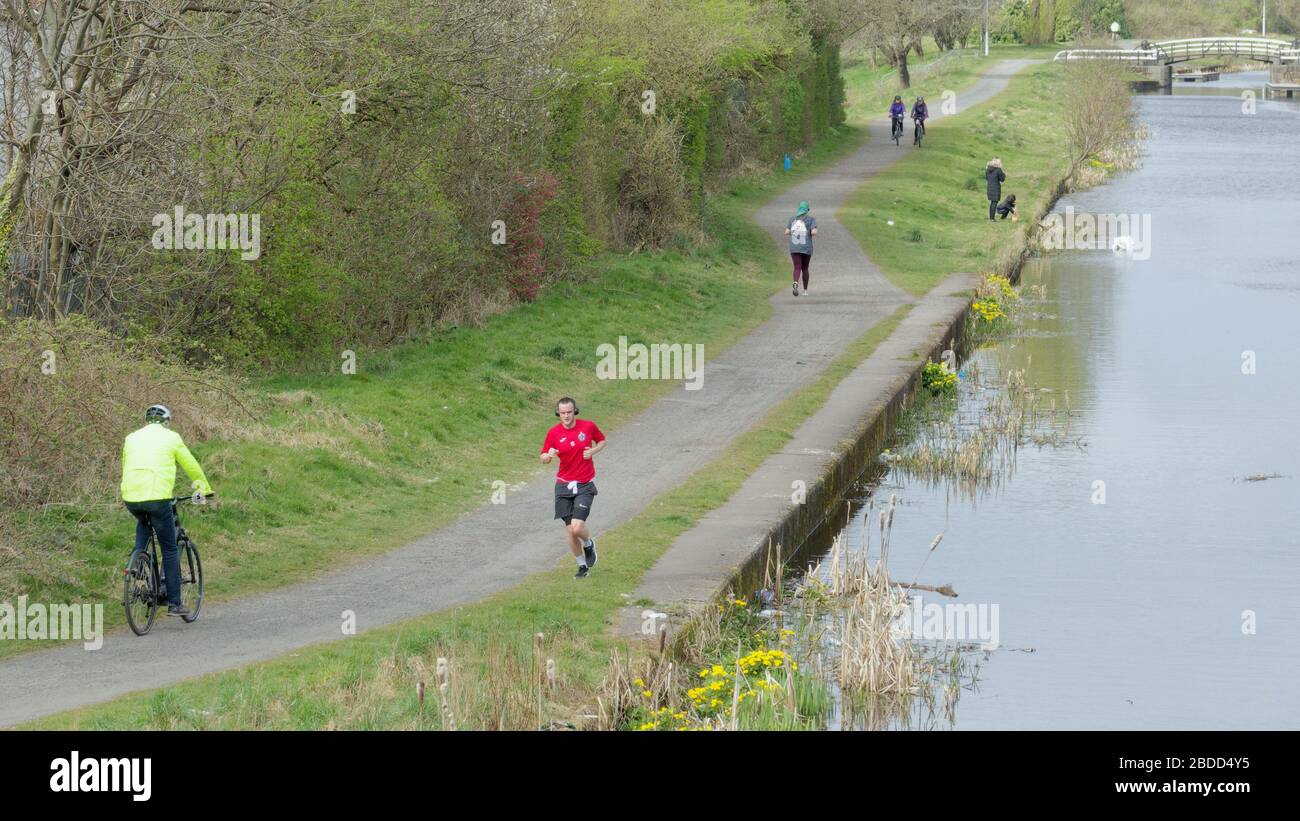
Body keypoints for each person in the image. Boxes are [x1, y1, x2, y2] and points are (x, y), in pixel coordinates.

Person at [120, 404, 213, 616]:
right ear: (166, 421)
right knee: (170, 549)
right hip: (158, 497)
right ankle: (174, 603)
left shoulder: (131, 437)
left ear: (147, 420)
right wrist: (204, 489)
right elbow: (190, 465)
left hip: (131, 497)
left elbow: (127, 465)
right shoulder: (171, 437)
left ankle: (138, 562)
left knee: (144, 522)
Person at [540, 397, 606, 578]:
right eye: (562, 413)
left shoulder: (588, 426)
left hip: (584, 484)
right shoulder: (553, 433)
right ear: (558, 413)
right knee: (570, 530)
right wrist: (549, 455)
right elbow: (543, 458)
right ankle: (582, 566)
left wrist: (592, 451)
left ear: (574, 411)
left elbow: (602, 441)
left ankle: (589, 544)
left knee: (577, 528)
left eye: (569, 412)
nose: (566, 416)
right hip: (563, 486)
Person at [783, 201, 817, 296]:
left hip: (794, 248)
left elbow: (786, 232)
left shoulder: (792, 219)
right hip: (806, 248)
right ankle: (805, 290)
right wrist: (810, 232)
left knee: (797, 267)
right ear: (807, 210)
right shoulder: (811, 220)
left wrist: (794, 232)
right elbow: (814, 232)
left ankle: (795, 282)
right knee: (805, 268)